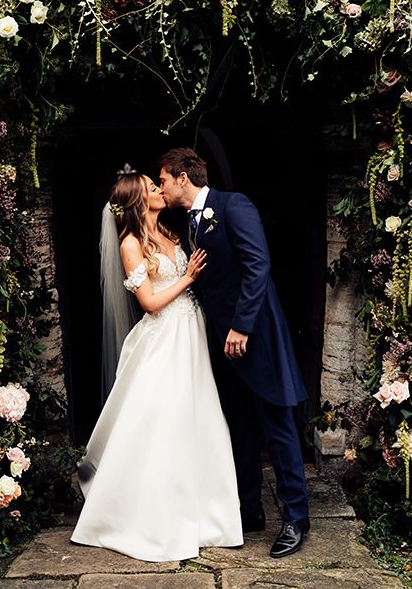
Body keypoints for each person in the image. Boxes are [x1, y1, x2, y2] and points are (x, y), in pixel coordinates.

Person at [70, 172, 243, 562]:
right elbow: (148, 301)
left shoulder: (170, 232)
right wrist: (187, 278)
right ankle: (152, 515)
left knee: (197, 416)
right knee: (164, 420)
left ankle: (207, 514)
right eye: (151, 187)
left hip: (190, 331)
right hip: (165, 338)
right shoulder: (131, 243)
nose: (158, 190)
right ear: (137, 200)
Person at [158, 147, 310, 559]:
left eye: (164, 180)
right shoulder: (189, 223)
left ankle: (296, 518)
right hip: (222, 344)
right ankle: (249, 510)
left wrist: (241, 325)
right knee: (238, 427)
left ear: (182, 178)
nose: (161, 187)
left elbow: (258, 265)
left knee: (277, 426)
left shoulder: (233, 205)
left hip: (254, 335)